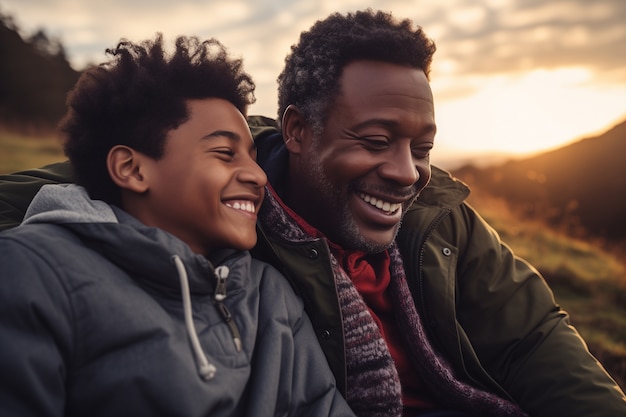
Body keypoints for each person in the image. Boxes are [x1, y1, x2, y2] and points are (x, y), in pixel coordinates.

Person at [1, 9, 625, 417]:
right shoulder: (240, 224)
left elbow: (533, 336)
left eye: (423, 147)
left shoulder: (437, 219)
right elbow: (117, 167)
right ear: (297, 131)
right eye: (376, 141)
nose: (408, 171)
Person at [0, 34, 355, 417]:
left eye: (253, 157)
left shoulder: (270, 296)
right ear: (132, 169)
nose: (257, 175)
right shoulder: (32, 271)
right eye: (225, 153)